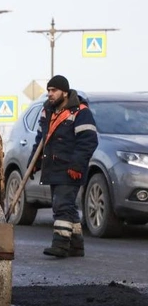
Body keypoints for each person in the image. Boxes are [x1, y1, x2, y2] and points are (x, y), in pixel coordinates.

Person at [28, 75, 98, 258]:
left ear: (65, 93)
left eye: (54, 91)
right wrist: (34, 163)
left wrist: (76, 166)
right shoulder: (48, 111)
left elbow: (88, 142)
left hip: (70, 168)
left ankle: (60, 244)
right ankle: (76, 246)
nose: (50, 94)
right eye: (49, 90)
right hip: (53, 167)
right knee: (67, 207)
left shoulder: (81, 112)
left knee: (62, 205)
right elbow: (41, 140)